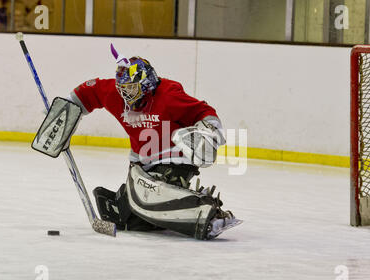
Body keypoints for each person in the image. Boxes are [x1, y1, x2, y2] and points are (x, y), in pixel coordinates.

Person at [58, 45, 241, 240]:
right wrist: (62, 113)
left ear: (147, 83)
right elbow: (88, 92)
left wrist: (210, 133)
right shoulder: (116, 95)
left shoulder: (169, 95)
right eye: (123, 89)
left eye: (131, 89)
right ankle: (178, 205)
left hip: (174, 162)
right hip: (142, 166)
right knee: (126, 219)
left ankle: (207, 212)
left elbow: (203, 111)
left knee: (149, 198)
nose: (126, 95)